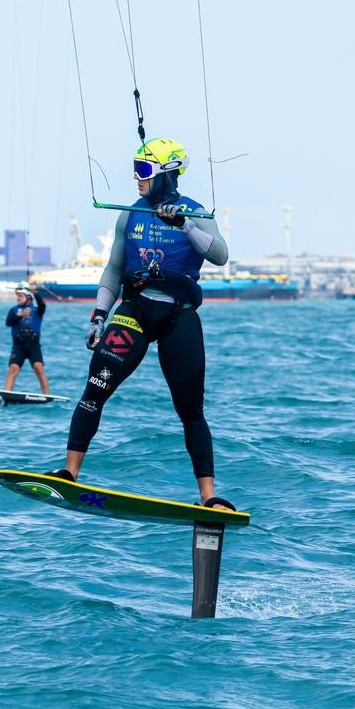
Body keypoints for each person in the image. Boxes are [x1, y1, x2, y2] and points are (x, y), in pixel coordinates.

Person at [49, 137, 234, 509]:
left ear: (166, 174)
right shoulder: (129, 214)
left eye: (144, 170)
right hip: (133, 312)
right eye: (135, 168)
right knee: (94, 389)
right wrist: (99, 316)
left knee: (191, 411)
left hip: (177, 317)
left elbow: (220, 255)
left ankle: (209, 497)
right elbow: (115, 268)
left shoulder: (196, 213)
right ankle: (69, 473)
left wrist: (183, 224)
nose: (136, 177)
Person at [5, 283, 49, 395]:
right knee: (13, 369)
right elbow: (8, 322)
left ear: (28, 297)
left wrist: (35, 292)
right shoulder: (14, 310)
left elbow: (42, 305)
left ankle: (46, 395)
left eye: (20, 296)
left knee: (38, 367)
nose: (18, 298)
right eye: (17, 296)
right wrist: (20, 315)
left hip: (33, 344)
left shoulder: (37, 310)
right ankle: (6, 394)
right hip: (18, 344)